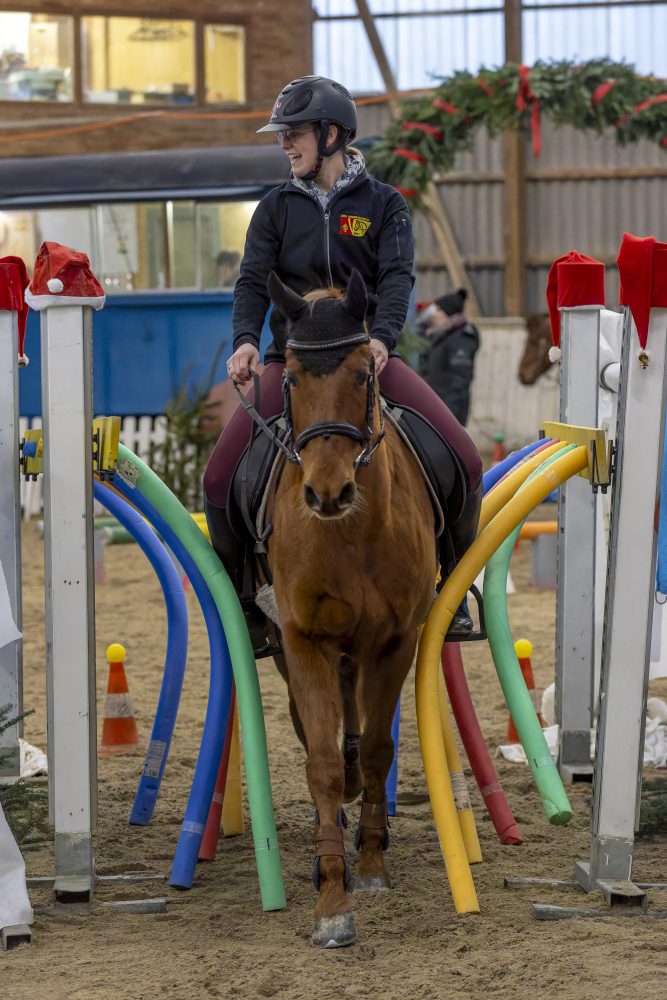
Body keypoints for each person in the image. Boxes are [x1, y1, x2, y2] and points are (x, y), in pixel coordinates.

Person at [203, 75, 483, 651]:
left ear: (332, 134)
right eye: (282, 135)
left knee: (465, 457)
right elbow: (253, 281)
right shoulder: (274, 208)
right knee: (218, 476)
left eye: (294, 133)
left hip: (366, 359)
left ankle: (454, 593)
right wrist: (246, 341)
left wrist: (382, 338)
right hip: (296, 363)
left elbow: (398, 278)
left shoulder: (385, 204)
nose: (284, 144)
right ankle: (247, 609)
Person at [419, 288, 480, 427]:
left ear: (447, 313)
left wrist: (448, 415)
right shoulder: (443, 334)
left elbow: (459, 381)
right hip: (436, 406)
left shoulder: (462, 337)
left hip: (449, 410)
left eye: (438, 310)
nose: (434, 315)